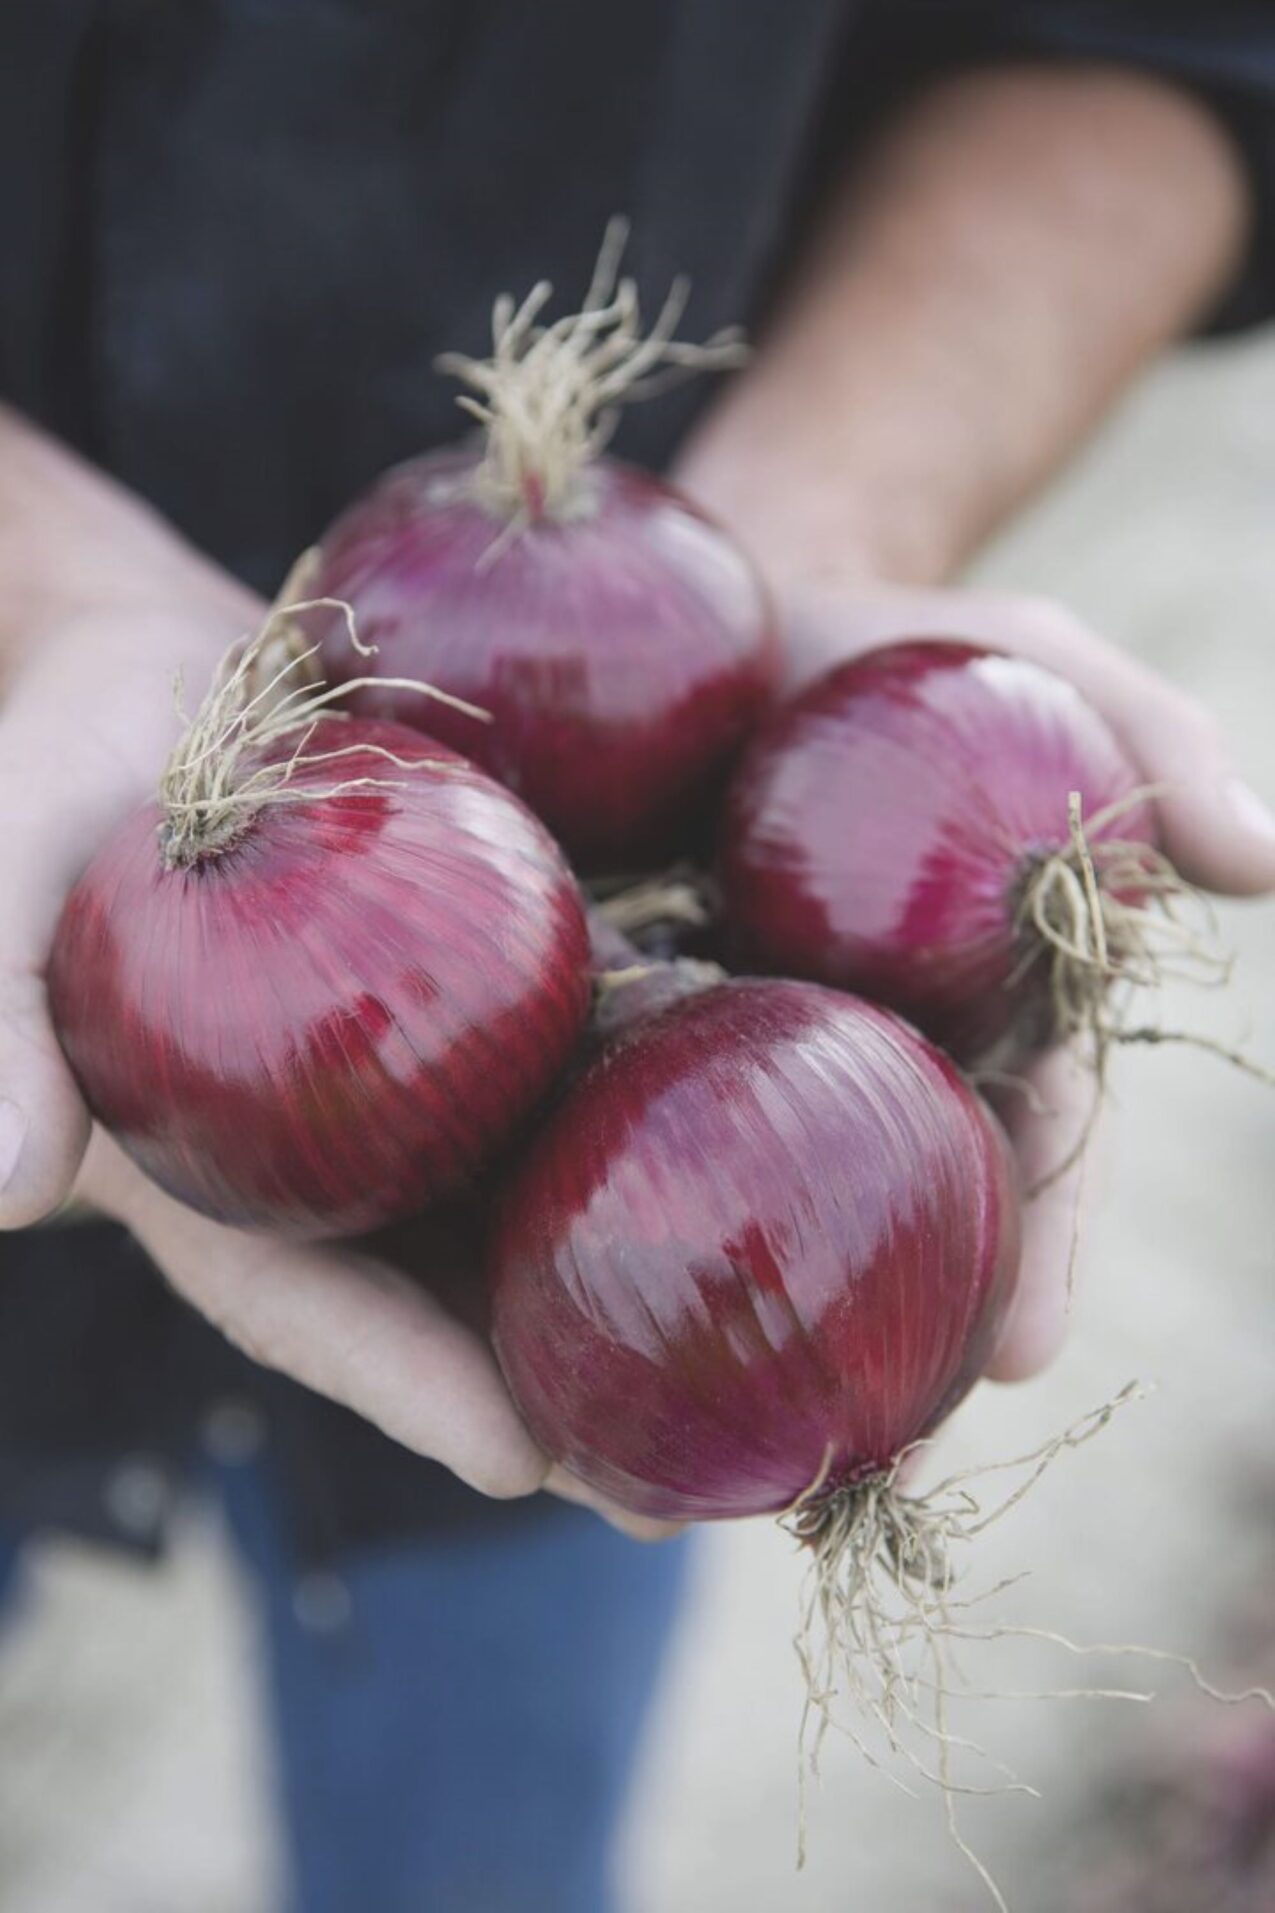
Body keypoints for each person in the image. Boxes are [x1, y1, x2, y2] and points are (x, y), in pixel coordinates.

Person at [2, 6, 1273, 1909]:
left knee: (485, 1832)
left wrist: (823, 518)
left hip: (604, 1310)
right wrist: (45, 590)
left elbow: (1179, 46)